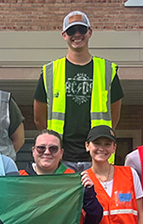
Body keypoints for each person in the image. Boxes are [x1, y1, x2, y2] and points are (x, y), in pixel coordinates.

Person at [33, 11, 124, 171]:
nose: (76, 35)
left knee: (98, 197)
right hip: (60, 158)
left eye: (81, 30)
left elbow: (114, 115)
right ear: (64, 35)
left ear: (89, 32)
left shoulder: (107, 70)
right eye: (71, 31)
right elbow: (39, 118)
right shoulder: (50, 71)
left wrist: (99, 143)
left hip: (97, 156)